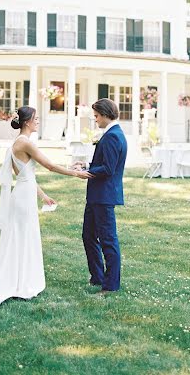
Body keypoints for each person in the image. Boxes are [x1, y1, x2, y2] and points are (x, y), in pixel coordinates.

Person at [0, 106, 91, 307]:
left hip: (23, 194)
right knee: (22, 235)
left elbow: (25, 175)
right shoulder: (25, 143)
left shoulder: (18, 143)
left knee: (24, 235)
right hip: (22, 197)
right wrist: (76, 174)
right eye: (35, 119)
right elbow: (50, 166)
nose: (38, 121)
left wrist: (44, 196)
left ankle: (23, 280)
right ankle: (19, 283)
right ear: (27, 122)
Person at [74, 98, 127, 293]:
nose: (95, 120)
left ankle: (111, 285)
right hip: (97, 195)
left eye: (96, 116)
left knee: (108, 240)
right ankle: (97, 276)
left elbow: (109, 168)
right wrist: (86, 165)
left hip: (103, 196)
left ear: (105, 114)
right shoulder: (111, 133)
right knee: (88, 236)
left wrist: (86, 173)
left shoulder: (113, 136)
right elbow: (103, 162)